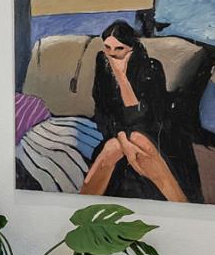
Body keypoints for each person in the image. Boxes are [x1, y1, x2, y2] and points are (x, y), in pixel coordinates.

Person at [80, 21, 187, 202]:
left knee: (139, 139)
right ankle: (82, 203)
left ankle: (181, 203)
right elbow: (103, 112)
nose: (112, 54)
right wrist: (123, 141)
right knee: (113, 147)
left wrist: (122, 77)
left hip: (153, 129)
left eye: (119, 49)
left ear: (132, 48)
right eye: (107, 47)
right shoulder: (103, 62)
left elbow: (142, 117)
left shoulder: (151, 68)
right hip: (118, 131)